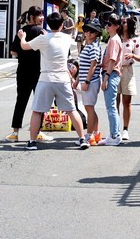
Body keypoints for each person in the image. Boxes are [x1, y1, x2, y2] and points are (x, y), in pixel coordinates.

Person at [18, 11, 90, 150]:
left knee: (37, 111)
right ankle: (82, 139)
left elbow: (24, 46)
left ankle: (32, 141)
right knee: (71, 110)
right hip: (63, 78)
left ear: (48, 25)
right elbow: (59, 41)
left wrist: (22, 37)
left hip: (46, 78)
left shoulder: (43, 39)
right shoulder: (66, 38)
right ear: (62, 25)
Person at [6, 6, 43, 141]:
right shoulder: (41, 32)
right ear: (33, 17)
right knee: (39, 102)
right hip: (39, 71)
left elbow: (13, 52)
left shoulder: (21, 32)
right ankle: (38, 132)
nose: (42, 17)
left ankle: (15, 133)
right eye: (40, 15)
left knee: (21, 101)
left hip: (22, 71)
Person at [76, 17, 104, 145]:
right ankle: (96, 134)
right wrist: (78, 80)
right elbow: (83, 66)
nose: (88, 33)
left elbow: (93, 65)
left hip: (91, 81)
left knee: (89, 108)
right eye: (87, 30)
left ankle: (89, 136)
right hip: (88, 80)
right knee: (90, 108)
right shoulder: (89, 45)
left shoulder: (93, 47)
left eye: (92, 32)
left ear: (96, 34)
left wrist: (86, 81)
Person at [98, 14, 125, 146]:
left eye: (110, 24)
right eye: (107, 23)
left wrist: (106, 78)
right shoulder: (114, 39)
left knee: (111, 107)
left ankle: (114, 135)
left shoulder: (114, 40)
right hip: (113, 74)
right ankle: (114, 133)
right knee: (112, 106)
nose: (107, 26)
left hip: (111, 73)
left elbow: (113, 60)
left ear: (117, 26)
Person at [118, 14, 140, 142]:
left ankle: (125, 129)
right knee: (114, 101)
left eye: (125, 22)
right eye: (121, 22)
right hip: (115, 70)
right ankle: (115, 128)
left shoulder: (135, 40)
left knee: (126, 102)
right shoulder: (115, 38)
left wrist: (132, 55)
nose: (122, 24)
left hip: (128, 70)